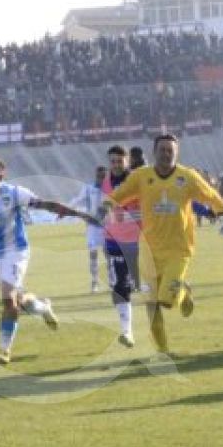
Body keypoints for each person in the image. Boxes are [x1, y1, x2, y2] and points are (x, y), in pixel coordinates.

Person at [0, 158, 96, 365]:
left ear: (1, 175)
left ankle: (4, 350)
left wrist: (77, 213)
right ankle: (44, 308)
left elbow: (45, 204)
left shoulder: (15, 193)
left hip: (16, 251)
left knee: (8, 300)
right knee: (18, 301)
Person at [103, 132, 223, 358]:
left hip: (178, 250)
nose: (166, 154)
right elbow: (120, 194)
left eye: (170, 150)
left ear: (176, 152)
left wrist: (222, 216)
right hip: (149, 250)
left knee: (166, 301)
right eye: (162, 150)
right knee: (151, 304)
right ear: (154, 152)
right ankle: (162, 351)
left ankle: (183, 291)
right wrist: (105, 206)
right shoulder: (142, 176)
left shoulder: (187, 177)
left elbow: (211, 196)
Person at [98, 145, 144, 347]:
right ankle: (127, 332)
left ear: (128, 161)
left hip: (139, 240)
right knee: (119, 286)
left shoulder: (138, 179)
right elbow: (105, 210)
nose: (116, 165)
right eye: (113, 161)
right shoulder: (106, 182)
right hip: (114, 240)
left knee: (148, 282)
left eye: (120, 161)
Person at [71, 166, 110, 292]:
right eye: (99, 176)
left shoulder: (111, 189)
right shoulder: (88, 188)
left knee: (108, 254)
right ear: (96, 175)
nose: (101, 179)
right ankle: (94, 282)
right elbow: (78, 200)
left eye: (104, 176)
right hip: (93, 226)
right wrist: (66, 209)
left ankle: (112, 281)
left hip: (108, 226)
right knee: (93, 254)